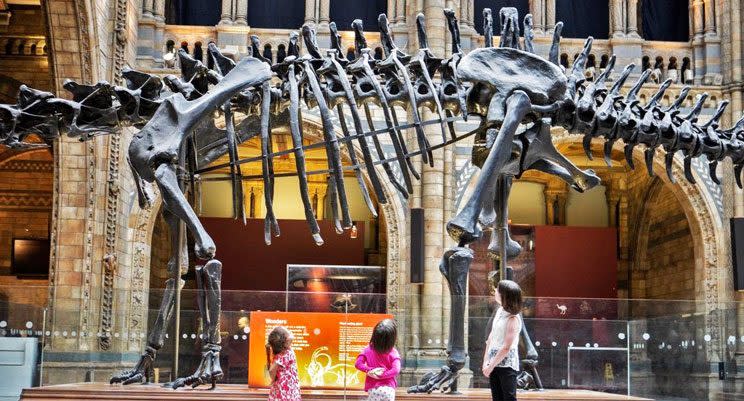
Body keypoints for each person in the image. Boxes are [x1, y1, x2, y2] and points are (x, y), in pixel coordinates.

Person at [482, 279, 523, 401]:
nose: (495, 291)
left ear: (504, 295)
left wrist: (490, 366)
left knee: (509, 398)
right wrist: (486, 362)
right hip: (493, 362)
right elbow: (491, 337)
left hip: (507, 365)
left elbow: (506, 347)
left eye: (498, 290)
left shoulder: (513, 319)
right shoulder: (500, 311)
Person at [355, 319, 401, 401]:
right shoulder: (393, 352)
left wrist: (371, 371)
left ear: (375, 335)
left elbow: (358, 364)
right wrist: (382, 375)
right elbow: (396, 370)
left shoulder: (367, 349)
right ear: (392, 338)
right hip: (389, 389)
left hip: (373, 389)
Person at [266, 326, 301, 401]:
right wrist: (273, 379)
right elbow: (272, 370)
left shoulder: (284, 352)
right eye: (288, 333)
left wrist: (273, 380)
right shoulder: (285, 354)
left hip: (285, 389)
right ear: (286, 340)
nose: (291, 335)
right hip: (286, 391)